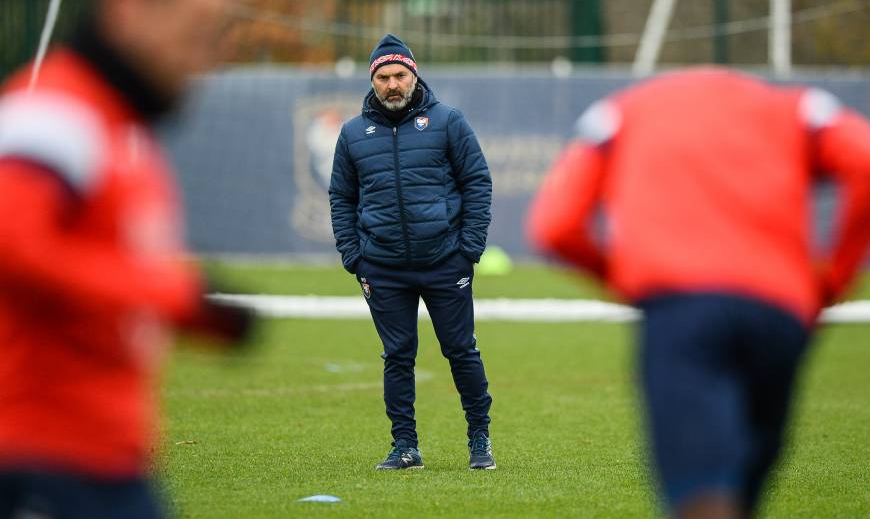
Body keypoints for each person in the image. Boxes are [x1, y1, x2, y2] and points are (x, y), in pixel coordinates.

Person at [526, 68, 870, 518]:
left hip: (683, 311)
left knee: (702, 498)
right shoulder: (797, 107)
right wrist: (830, 280)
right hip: (778, 315)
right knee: (740, 494)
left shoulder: (620, 114)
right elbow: (864, 160)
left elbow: (555, 226)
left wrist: (628, 279)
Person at [0, 0, 252, 517]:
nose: (203, 60)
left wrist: (197, 315)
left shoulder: (119, 130)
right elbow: (11, 242)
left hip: (107, 462)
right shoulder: (56, 111)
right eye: (197, 31)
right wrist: (176, 295)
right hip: (39, 462)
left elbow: (90, 273)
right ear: (131, 4)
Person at [329, 34, 496, 470]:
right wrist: (354, 256)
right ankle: (405, 446)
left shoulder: (448, 122)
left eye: (399, 74)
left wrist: (469, 249)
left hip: (445, 262)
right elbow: (341, 198)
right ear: (373, 82)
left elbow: (477, 182)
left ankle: (480, 440)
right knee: (398, 356)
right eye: (383, 77)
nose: (392, 84)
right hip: (382, 268)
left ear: (414, 74)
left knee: (461, 350)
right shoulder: (352, 134)